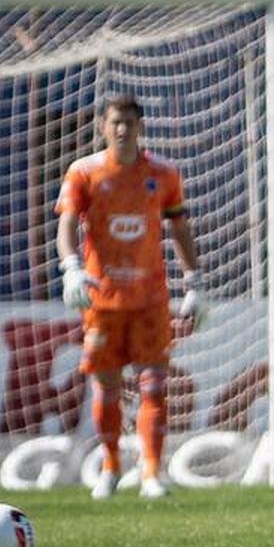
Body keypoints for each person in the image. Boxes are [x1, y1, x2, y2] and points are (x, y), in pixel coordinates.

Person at [56, 95, 207, 500]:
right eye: (115, 122)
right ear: (103, 127)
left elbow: (179, 227)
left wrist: (195, 282)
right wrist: (71, 267)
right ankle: (110, 467)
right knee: (105, 388)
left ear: (140, 126)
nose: (122, 129)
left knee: (154, 386)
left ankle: (152, 473)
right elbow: (68, 223)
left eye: (129, 122)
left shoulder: (163, 173)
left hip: (151, 299)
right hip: (102, 301)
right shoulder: (83, 172)